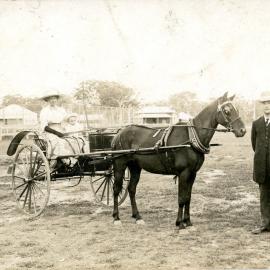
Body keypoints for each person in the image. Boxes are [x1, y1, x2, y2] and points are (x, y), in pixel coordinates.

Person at [251, 91, 270, 234]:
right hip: (261, 167)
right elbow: (254, 145)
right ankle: (265, 224)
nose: (267, 106)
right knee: (264, 196)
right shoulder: (256, 123)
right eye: (264, 103)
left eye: (269, 103)